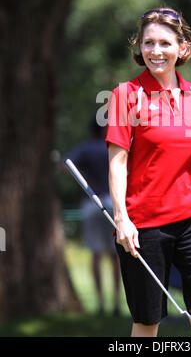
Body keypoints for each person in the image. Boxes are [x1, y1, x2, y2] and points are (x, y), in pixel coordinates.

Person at [105, 7, 191, 337]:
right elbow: (117, 163)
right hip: (143, 225)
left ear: (183, 47)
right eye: (148, 43)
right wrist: (122, 218)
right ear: (139, 47)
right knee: (148, 323)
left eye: (165, 43)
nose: (156, 52)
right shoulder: (126, 96)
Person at [66, 119, 121, 315]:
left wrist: (87, 183)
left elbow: (68, 164)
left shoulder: (86, 148)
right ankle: (116, 303)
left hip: (91, 203)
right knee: (116, 256)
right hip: (113, 203)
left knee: (96, 254)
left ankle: (100, 303)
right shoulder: (111, 147)